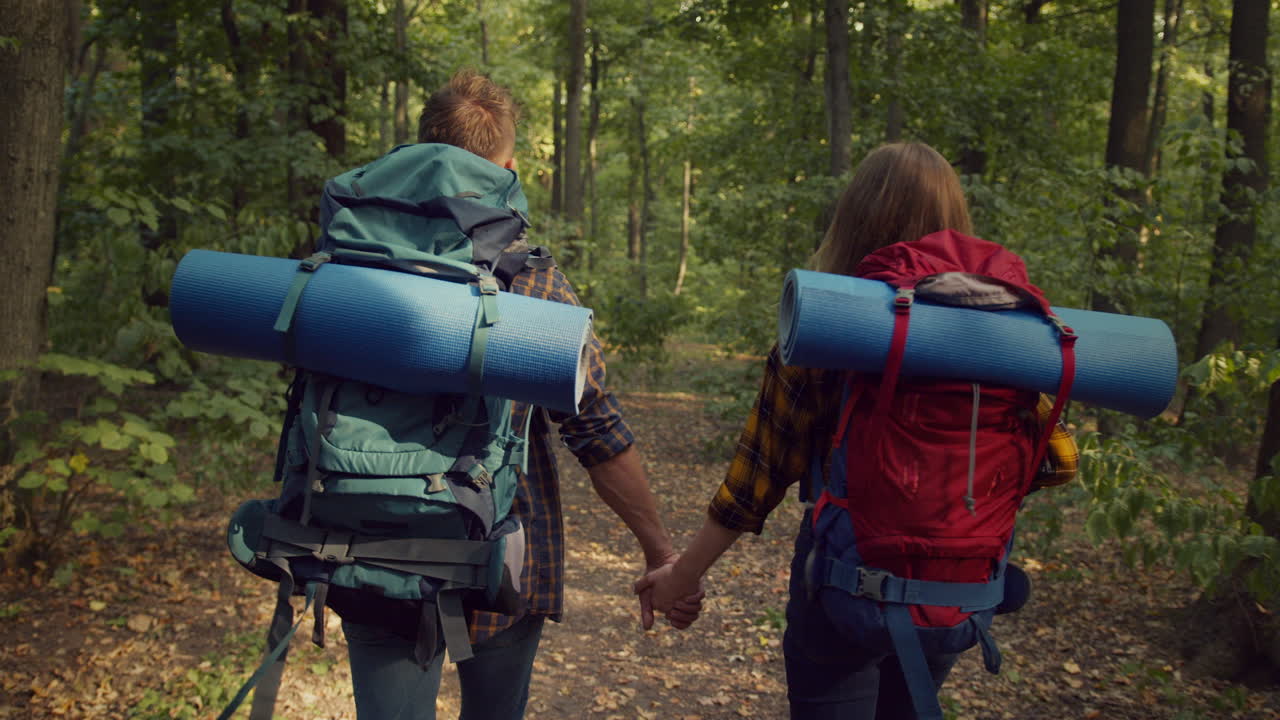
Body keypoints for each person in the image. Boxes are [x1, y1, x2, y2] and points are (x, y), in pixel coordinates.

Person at [635, 142, 1079, 719]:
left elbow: (752, 487)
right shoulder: (1002, 342)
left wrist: (682, 577)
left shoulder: (827, 332)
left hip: (842, 579)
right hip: (951, 592)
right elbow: (1057, 461)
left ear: (853, 219)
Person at [338, 69, 701, 720]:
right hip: (497, 557)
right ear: (508, 168)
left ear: (420, 150)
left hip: (372, 549)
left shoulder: (348, 263)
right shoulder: (528, 278)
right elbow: (596, 429)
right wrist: (661, 554)